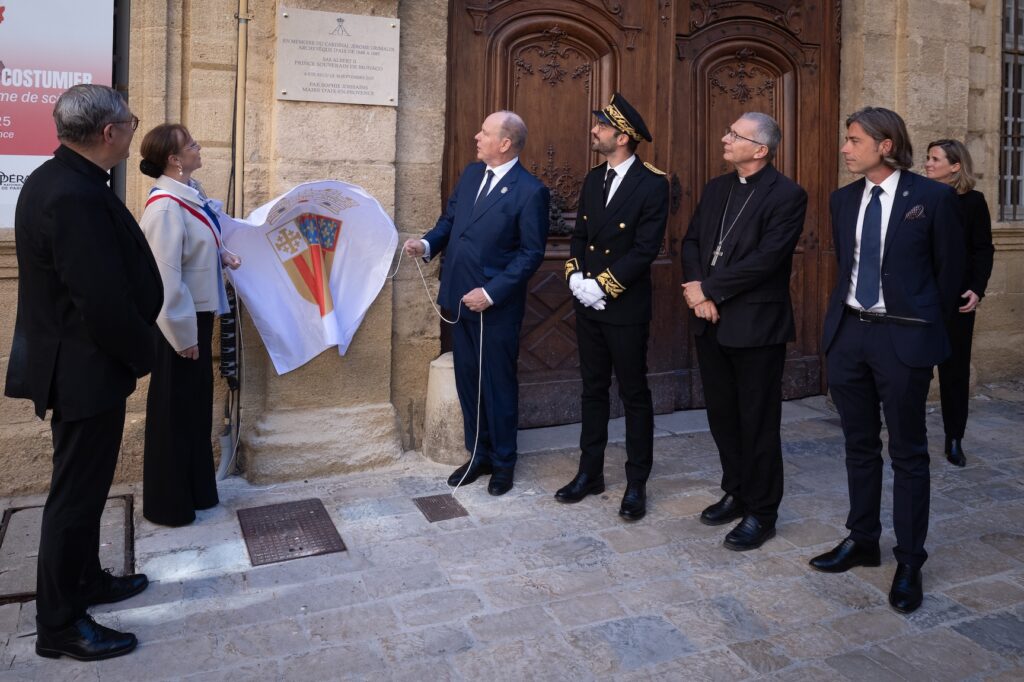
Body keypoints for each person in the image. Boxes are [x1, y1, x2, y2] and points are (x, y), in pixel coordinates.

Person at [3, 84, 162, 660]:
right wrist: (143, 354)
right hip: (83, 369)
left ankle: (87, 578)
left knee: (89, 488)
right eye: (130, 121)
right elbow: (100, 299)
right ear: (108, 133)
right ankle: (60, 625)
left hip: (82, 366)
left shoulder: (63, 180)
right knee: (73, 497)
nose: (133, 128)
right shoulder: (71, 193)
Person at [812, 107, 964, 614]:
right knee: (858, 445)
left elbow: (947, 275)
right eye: (846, 138)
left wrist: (918, 325)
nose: (845, 147)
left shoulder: (933, 198)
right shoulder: (842, 199)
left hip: (903, 341)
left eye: (853, 139)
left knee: (908, 452)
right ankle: (863, 539)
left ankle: (910, 561)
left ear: (885, 145)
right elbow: (848, 264)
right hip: (850, 334)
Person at [403, 111, 549, 495]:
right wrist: (426, 244)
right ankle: (478, 454)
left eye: (485, 132)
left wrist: (491, 292)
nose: (476, 136)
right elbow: (450, 221)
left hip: (493, 305)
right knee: (468, 380)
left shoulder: (530, 191)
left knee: (497, 384)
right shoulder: (471, 175)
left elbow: (530, 254)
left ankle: (504, 462)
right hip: (459, 298)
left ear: (505, 143)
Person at [681, 113, 807, 549]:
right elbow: (693, 241)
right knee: (722, 416)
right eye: (728, 130)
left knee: (757, 422)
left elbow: (768, 259)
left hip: (756, 326)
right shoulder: (717, 188)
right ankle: (735, 490)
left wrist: (709, 290)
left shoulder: (788, 194)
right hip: (709, 320)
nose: (725, 137)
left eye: (735, 135)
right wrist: (700, 295)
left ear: (761, 150)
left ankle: (762, 511)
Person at [555, 93, 669, 521]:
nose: (594, 131)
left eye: (601, 126)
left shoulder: (654, 183)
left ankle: (637, 481)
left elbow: (645, 249)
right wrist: (575, 278)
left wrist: (604, 285)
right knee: (592, 389)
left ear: (622, 136)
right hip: (588, 304)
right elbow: (580, 236)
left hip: (624, 306)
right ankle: (590, 472)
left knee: (634, 393)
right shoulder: (592, 179)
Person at [138, 124, 241, 526]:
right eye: (191, 145)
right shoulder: (165, 206)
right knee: (173, 414)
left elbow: (196, 247)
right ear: (174, 160)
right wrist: (183, 337)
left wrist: (223, 256)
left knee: (193, 411)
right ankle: (169, 504)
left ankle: (197, 492)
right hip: (177, 326)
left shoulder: (187, 197)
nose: (199, 148)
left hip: (194, 320)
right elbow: (165, 278)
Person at [923, 139, 994, 467]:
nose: (928, 163)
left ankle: (954, 438)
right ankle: (914, 434)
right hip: (920, 299)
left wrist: (977, 289)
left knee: (953, 374)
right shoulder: (918, 197)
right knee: (915, 371)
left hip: (957, 301)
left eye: (935, 159)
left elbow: (983, 249)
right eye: (927, 158)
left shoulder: (974, 202)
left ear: (955, 166)